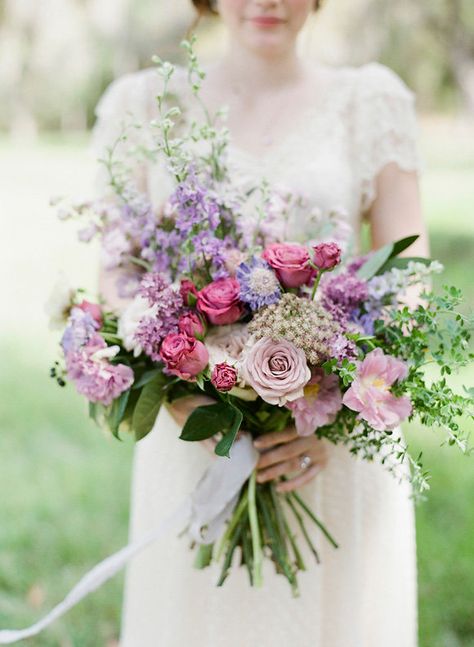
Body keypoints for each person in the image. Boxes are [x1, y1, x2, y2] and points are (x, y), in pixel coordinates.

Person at [92, 1, 429, 645]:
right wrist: (179, 387)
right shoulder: (143, 105)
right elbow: (117, 277)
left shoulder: (371, 101)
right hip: (192, 438)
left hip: (328, 444)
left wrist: (332, 419)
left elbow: (406, 281)